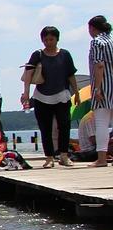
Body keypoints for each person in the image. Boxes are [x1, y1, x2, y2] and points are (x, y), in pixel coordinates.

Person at [22, 25, 78, 169]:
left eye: (51, 39)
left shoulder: (65, 54)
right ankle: (49, 157)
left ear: (57, 39)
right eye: (45, 39)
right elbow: (28, 74)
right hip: (41, 97)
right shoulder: (37, 54)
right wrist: (26, 93)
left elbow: (71, 74)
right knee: (45, 128)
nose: (48, 42)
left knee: (64, 126)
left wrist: (76, 92)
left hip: (62, 95)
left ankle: (64, 155)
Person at [87, 15, 112, 168]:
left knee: (102, 123)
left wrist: (97, 87)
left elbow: (99, 65)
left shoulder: (97, 42)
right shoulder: (111, 41)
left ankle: (102, 158)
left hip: (104, 86)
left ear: (92, 28)